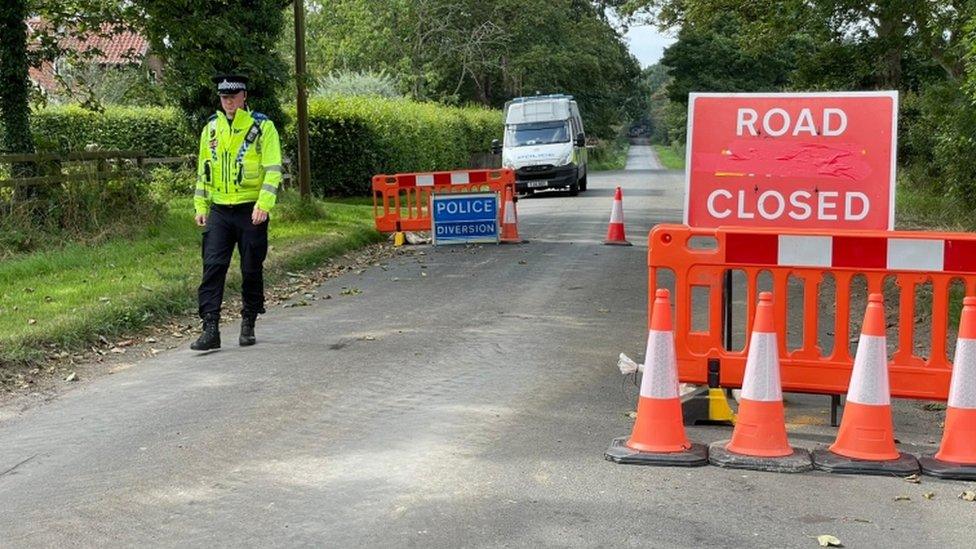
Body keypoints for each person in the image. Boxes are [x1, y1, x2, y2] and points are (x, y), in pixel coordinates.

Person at [190, 74, 283, 351]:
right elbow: (204, 170)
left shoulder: (262, 126)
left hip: (249, 209)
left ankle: (249, 320)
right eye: (223, 97)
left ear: (244, 97)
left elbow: (273, 168)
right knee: (213, 266)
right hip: (220, 208)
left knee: (250, 267)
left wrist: (263, 205)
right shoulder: (211, 128)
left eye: (233, 96)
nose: (228, 101)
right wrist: (200, 206)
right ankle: (210, 328)